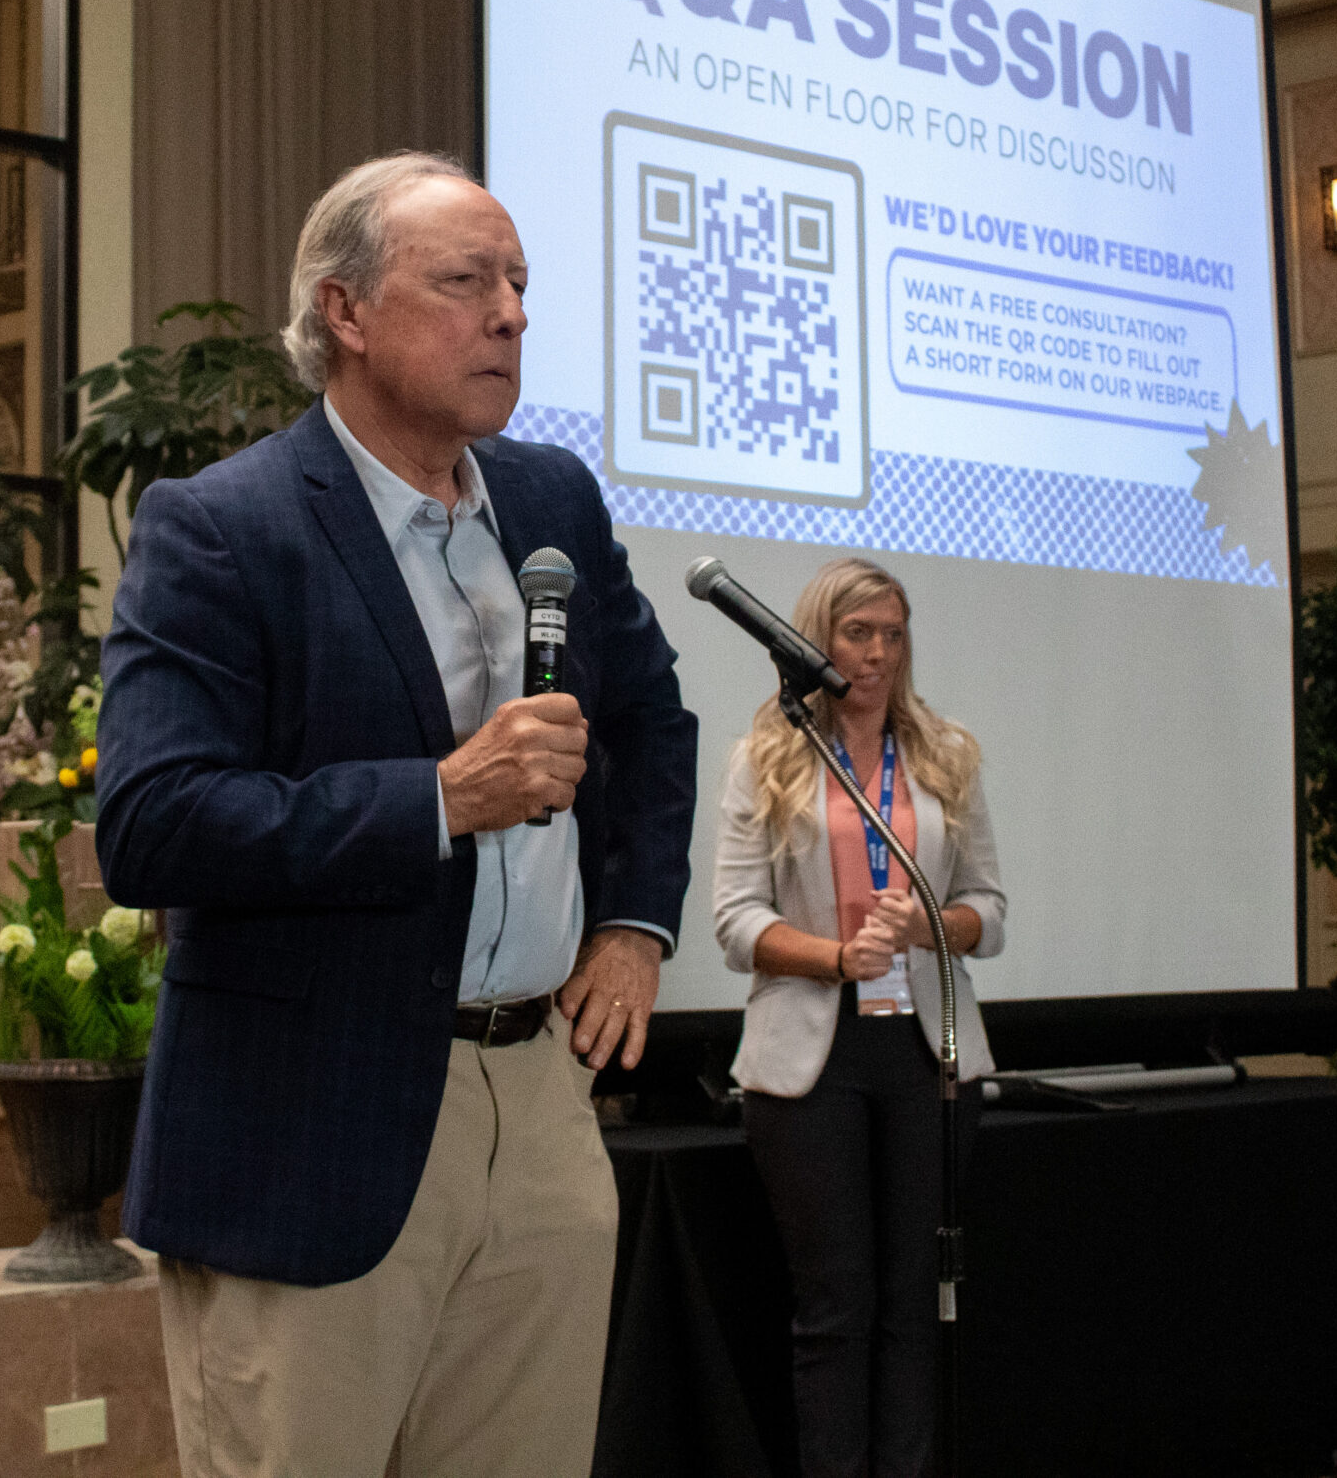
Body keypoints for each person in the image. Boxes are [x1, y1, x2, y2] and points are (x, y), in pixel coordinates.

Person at [97, 151, 698, 1478]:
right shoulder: (222, 526)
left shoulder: (551, 499)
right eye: (466, 281)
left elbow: (653, 722)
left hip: (537, 1101)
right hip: (309, 1123)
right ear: (347, 310)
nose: (511, 314)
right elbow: (152, 821)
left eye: (520, 283)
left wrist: (633, 927)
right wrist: (438, 797)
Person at [708, 556, 1006, 1478]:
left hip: (926, 1055)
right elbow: (735, 922)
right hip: (810, 1063)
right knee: (835, 1308)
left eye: (893, 634)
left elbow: (990, 909)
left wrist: (930, 925)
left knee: (916, 1303)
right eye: (857, 633)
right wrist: (835, 956)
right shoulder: (767, 756)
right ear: (816, 641)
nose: (877, 653)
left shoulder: (945, 754)